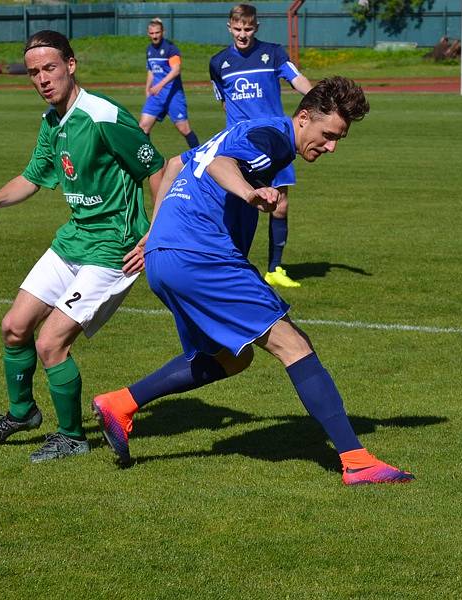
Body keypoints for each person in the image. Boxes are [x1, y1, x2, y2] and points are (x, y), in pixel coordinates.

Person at [92, 77, 414, 486]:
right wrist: (249, 193)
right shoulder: (273, 137)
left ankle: (119, 403)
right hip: (202, 256)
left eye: (339, 140)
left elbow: (176, 165)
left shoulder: (244, 131)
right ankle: (356, 460)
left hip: (166, 259)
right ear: (303, 118)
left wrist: (155, 236)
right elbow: (220, 165)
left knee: (231, 356)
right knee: (293, 344)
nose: (331, 146)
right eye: (329, 135)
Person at [0, 30, 165, 463]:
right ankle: (22, 413)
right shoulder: (51, 122)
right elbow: (33, 177)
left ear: (70, 65)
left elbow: (158, 170)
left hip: (115, 248)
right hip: (74, 239)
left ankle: (72, 437)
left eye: (49, 68)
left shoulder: (104, 116)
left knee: (50, 342)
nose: (42, 79)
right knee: (14, 327)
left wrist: (157, 234)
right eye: (34, 72)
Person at [209, 4, 312, 289]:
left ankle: (274, 269)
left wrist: (322, 97)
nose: (243, 35)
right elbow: (224, 101)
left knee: (279, 206)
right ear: (229, 27)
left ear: (257, 27)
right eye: (238, 29)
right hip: (241, 147)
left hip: (276, 142)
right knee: (237, 204)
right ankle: (230, 264)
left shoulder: (274, 53)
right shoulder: (218, 63)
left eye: (248, 29)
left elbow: (297, 80)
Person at [139, 18, 200, 150]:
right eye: (152, 33)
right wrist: (147, 89)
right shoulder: (149, 50)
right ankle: (148, 161)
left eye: (157, 32)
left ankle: (200, 156)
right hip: (156, 95)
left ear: (163, 32)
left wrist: (159, 85)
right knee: (143, 127)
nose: (154, 36)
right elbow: (151, 71)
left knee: (184, 128)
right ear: (148, 33)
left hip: (173, 95)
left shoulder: (171, 49)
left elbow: (176, 70)